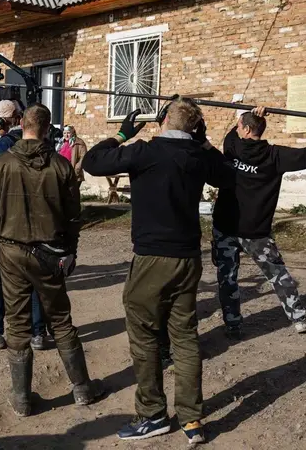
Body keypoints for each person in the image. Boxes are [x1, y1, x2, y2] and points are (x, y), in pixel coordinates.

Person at [82, 98, 234, 445]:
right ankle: (192, 419)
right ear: (195, 127)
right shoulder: (199, 156)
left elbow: (92, 162)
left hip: (152, 258)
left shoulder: (144, 151)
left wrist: (120, 134)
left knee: (144, 334)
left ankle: (152, 415)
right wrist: (205, 141)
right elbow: (228, 176)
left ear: (162, 119)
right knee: (184, 336)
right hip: (188, 258)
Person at [0, 104, 103, 417]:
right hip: (49, 252)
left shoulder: (1, 164)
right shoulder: (61, 166)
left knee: (17, 322)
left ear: (21, 124)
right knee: (60, 318)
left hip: (11, 250)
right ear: (47, 128)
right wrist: (71, 249)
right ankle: (82, 388)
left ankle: (21, 398)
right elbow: (74, 216)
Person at [212, 107, 306, 337]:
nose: (237, 128)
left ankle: (233, 325)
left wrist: (252, 114)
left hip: (226, 227)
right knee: (278, 276)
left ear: (247, 129)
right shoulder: (275, 156)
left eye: (240, 124)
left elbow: (231, 136)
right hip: (253, 231)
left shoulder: (233, 149)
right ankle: (299, 319)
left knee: (227, 277)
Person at [0, 100, 49, 351]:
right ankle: (38, 333)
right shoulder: (46, 148)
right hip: (38, 223)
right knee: (36, 280)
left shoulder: (4, 147)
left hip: (6, 224)